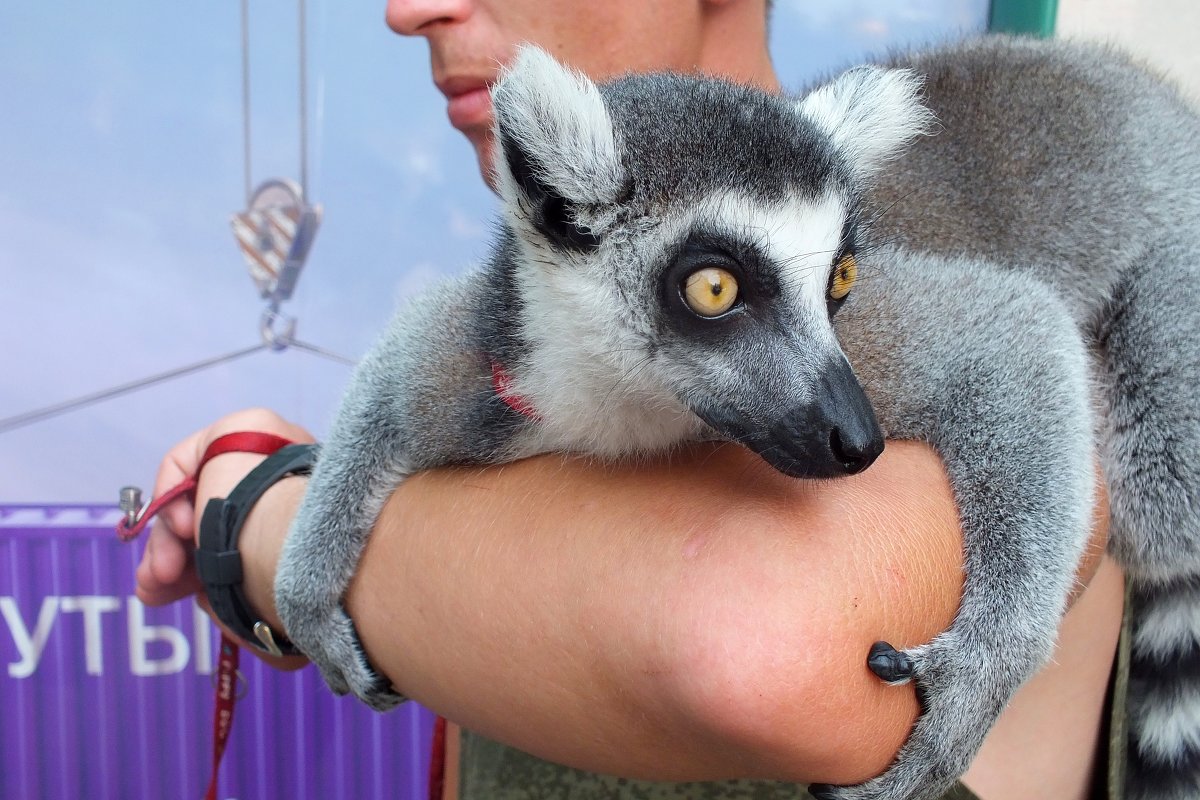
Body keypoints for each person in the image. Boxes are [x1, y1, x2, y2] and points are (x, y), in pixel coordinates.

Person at [135, 2, 1123, 798]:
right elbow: (411, 366)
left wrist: (259, 524)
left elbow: (751, 643)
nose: (410, 11)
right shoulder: (559, 307)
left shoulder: (928, 282)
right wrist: (305, 488)